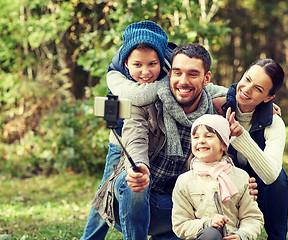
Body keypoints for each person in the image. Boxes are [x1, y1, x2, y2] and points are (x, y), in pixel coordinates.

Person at [91, 43, 261, 239]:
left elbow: (221, 154)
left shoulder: (214, 115)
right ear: (170, 73)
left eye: (192, 74)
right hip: (134, 200)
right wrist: (138, 166)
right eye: (177, 73)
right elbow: (134, 138)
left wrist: (239, 182)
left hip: (176, 207)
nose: (183, 81)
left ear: (206, 78)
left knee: (202, 212)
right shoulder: (146, 104)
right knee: (134, 181)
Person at [81, 20, 175, 240]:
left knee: (145, 188)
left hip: (156, 140)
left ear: (161, 60)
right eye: (137, 65)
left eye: (152, 64)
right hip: (121, 141)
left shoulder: (172, 67)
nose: (145, 72)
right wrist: (169, 85)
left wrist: (232, 95)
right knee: (105, 192)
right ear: (126, 62)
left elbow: (202, 85)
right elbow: (139, 96)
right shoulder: (115, 75)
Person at [221, 58, 288, 240]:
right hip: (225, 182)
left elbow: (270, 176)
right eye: (247, 79)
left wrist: (241, 136)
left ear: (268, 98)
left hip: (258, 187)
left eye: (258, 89)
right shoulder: (217, 107)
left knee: (279, 178)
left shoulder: (274, 123)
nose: (247, 89)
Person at [172, 113, 264, 240]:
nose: (201, 141)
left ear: (224, 145)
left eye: (209, 136)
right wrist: (207, 223)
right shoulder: (185, 181)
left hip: (232, 236)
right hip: (204, 237)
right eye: (195, 137)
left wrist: (242, 235)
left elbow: (252, 217)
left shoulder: (241, 177)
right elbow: (180, 224)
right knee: (211, 234)